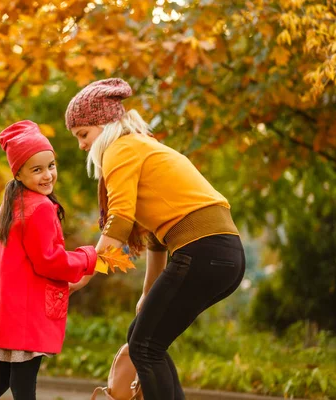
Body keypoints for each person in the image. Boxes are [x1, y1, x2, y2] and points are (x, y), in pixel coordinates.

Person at [65, 78, 246, 400]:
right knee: (148, 342)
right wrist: (148, 293)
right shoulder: (142, 146)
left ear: (104, 126)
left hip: (202, 252)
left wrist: (84, 274)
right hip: (223, 255)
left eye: (83, 134)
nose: (81, 145)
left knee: (144, 347)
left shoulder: (120, 148)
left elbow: (120, 219)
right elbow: (157, 240)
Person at [0, 120, 97, 400]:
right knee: (24, 389)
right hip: (27, 313)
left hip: (9, 312)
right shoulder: (39, 209)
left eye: (51, 165)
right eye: (37, 169)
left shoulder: (14, 203)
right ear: (19, 174)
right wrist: (88, 256)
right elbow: (50, 261)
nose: (48, 175)